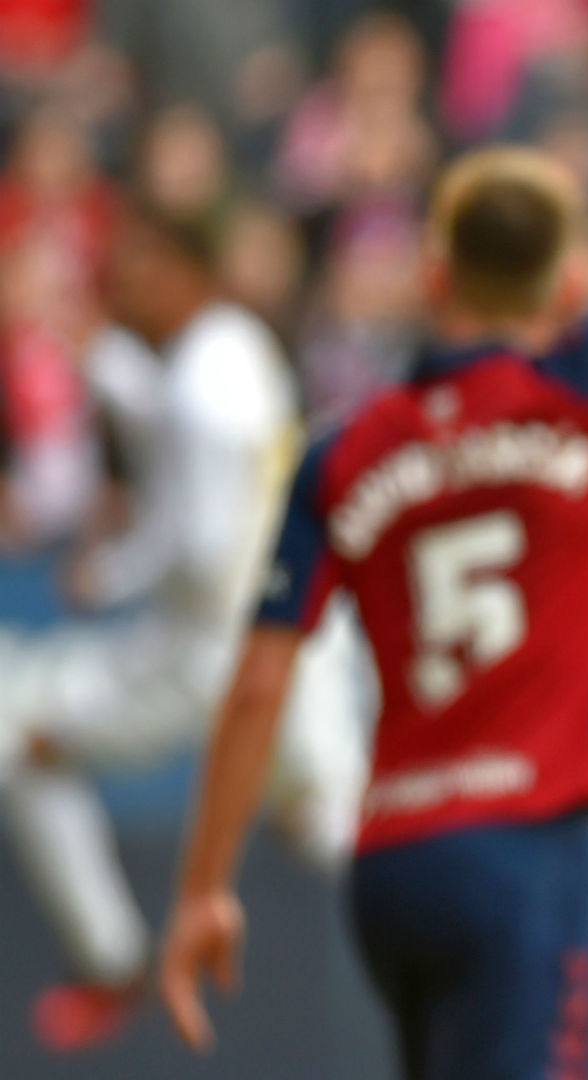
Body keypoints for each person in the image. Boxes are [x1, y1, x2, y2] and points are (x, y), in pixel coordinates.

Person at [155, 1, 588, 1076]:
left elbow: (257, 680)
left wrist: (202, 888)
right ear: (569, 285)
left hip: (393, 862)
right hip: (527, 848)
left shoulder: (342, 452)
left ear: (433, 277)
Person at [0, 200, 367, 1052]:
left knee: (24, 747)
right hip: (290, 630)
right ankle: (479, 902)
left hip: (210, 647)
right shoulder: (229, 343)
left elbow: (200, 548)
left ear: (185, 270)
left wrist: (111, 572)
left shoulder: (207, 383)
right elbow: (169, 416)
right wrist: (98, 351)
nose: (127, 285)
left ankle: (112, 959)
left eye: (141, 269)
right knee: (322, 823)